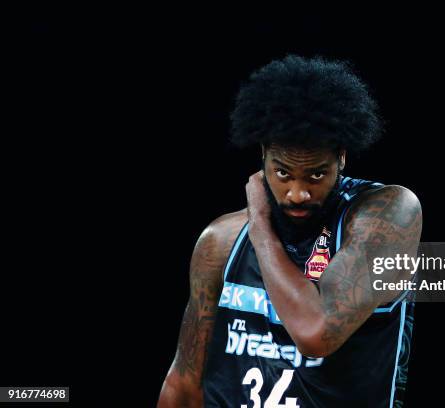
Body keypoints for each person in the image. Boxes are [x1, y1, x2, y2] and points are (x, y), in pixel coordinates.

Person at [158, 55, 422, 408]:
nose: (298, 193)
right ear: (263, 155)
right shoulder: (220, 241)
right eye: (283, 174)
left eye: (315, 174)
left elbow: (316, 334)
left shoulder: (388, 214)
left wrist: (259, 223)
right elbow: (184, 383)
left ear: (341, 157)